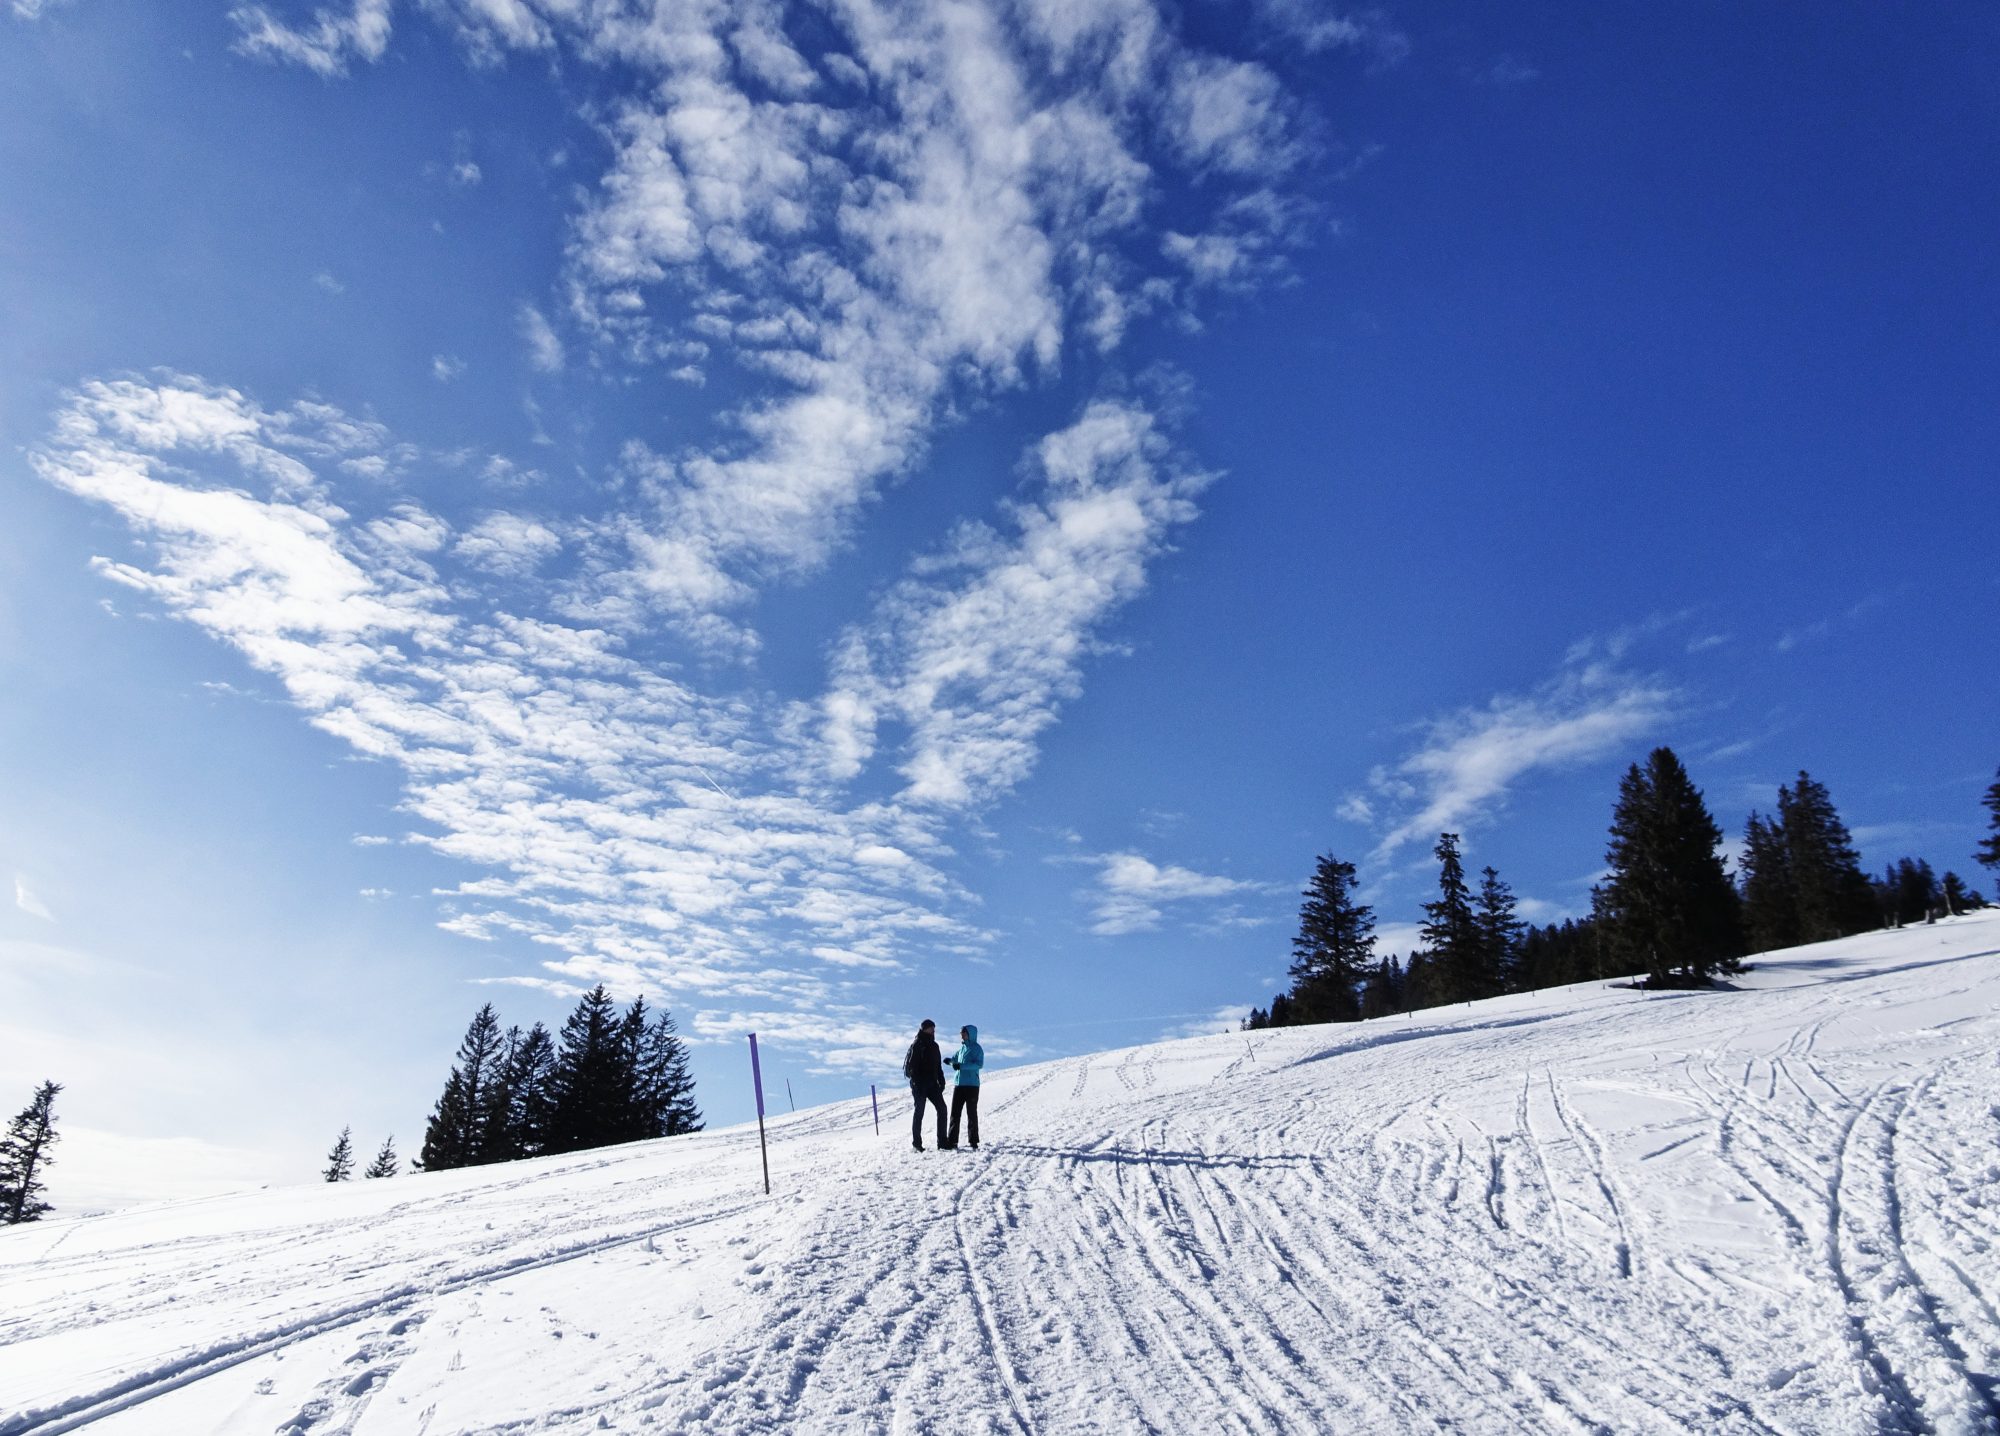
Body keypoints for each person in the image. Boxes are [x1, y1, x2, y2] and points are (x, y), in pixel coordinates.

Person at [903, 1019, 947, 1151]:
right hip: (920, 1085)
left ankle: (942, 1142)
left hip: (932, 1084)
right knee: (919, 1111)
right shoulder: (917, 1045)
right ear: (924, 1029)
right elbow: (911, 1067)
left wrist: (941, 1080)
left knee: (942, 1109)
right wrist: (916, 1083)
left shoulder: (934, 1046)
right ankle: (917, 1143)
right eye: (931, 1028)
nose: (933, 1031)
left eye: (934, 1028)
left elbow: (938, 1066)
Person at [944, 1023, 984, 1150]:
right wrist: (950, 1061)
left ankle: (973, 1140)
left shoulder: (977, 1049)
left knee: (971, 1113)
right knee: (955, 1113)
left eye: (964, 1032)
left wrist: (961, 1066)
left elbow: (978, 1065)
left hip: (972, 1085)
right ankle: (952, 1141)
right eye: (961, 1033)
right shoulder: (961, 1050)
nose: (962, 1035)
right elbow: (955, 1061)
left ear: (970, 1034)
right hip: (959, 1084)